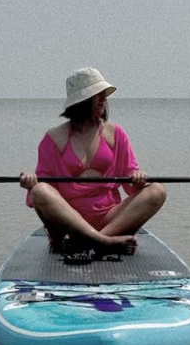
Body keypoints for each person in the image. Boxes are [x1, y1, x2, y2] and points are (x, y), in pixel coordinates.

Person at [19, 68, 166, 256]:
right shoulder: (53, 138)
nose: (104, 100)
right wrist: (32, 183)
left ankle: (92, 241)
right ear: (82, 101)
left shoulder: (116, 134)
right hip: (68, 222)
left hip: (110, 219)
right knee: (39, 191)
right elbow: (45, 190)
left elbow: (130, 184)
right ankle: (103, 242)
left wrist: (138, 179)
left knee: (157, 190)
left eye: (104, 95)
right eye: (98, 96)